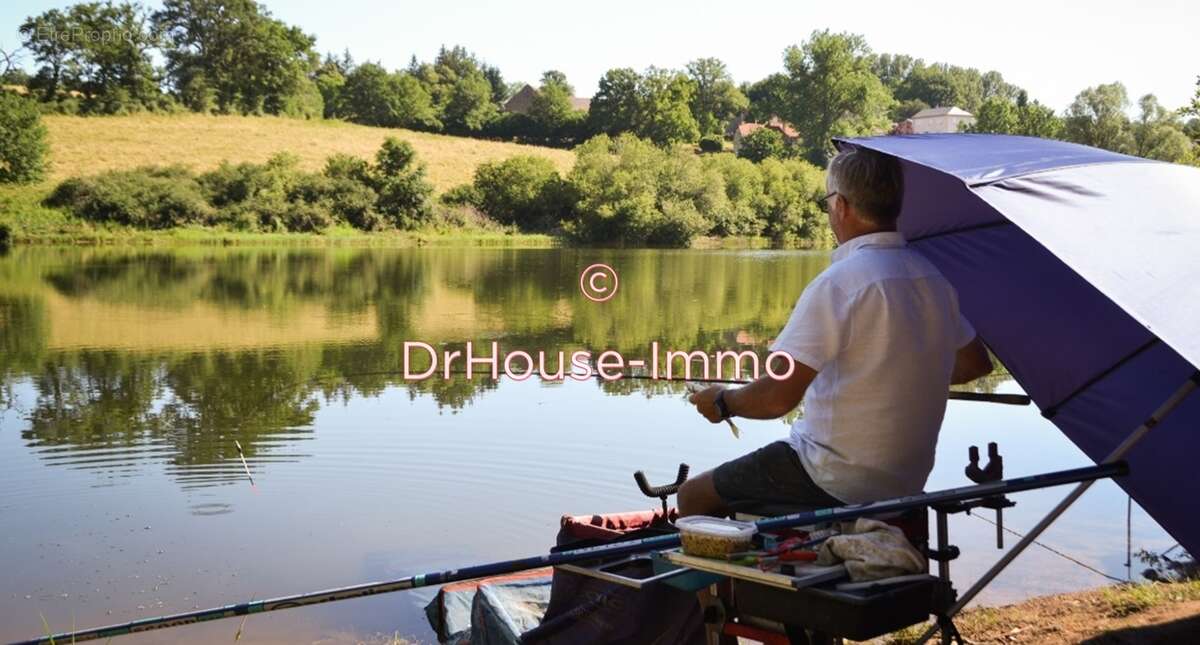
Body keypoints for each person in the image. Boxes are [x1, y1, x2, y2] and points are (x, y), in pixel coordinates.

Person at [678, 147, 994, 516]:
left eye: (828, 201)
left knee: (694, 496)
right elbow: (975, 364)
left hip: (833, 476)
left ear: (841, 205)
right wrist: (888, 372)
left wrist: (722, 402)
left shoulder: (840, 284)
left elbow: (776, 398)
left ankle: (732, 574)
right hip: (905, 481)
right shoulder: (931, 278)